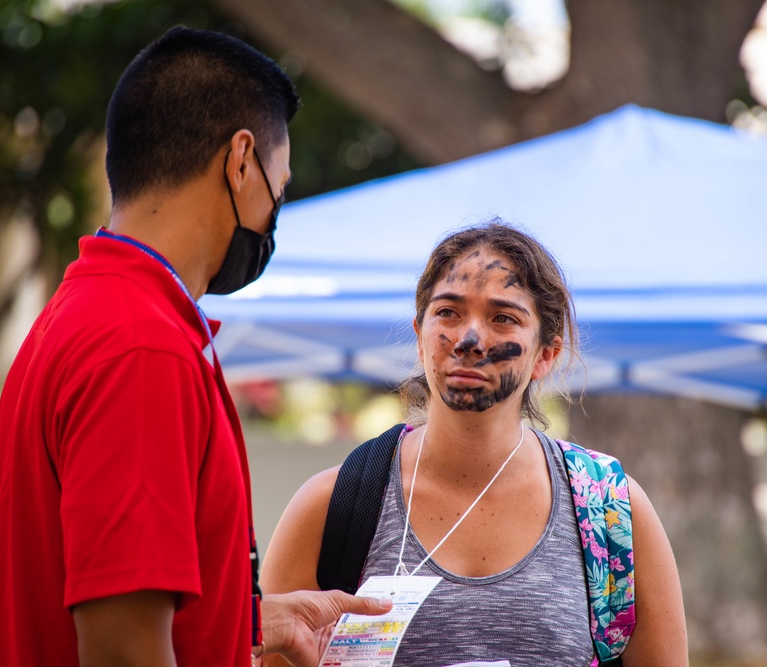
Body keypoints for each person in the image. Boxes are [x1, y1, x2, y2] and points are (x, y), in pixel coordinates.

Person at [0, 26, 389, 667]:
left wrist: (247, 619)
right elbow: (122, 647)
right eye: (279, 190)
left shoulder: (83, 310)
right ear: (241, 161)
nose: (273, 214)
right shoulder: (142, 349)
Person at [261, 222, 688, 666]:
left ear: (546, 354)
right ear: (420, 333)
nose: (469, 340)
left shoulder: (611, 511)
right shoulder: (331, 507)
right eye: (448, 312)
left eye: (503, 317)